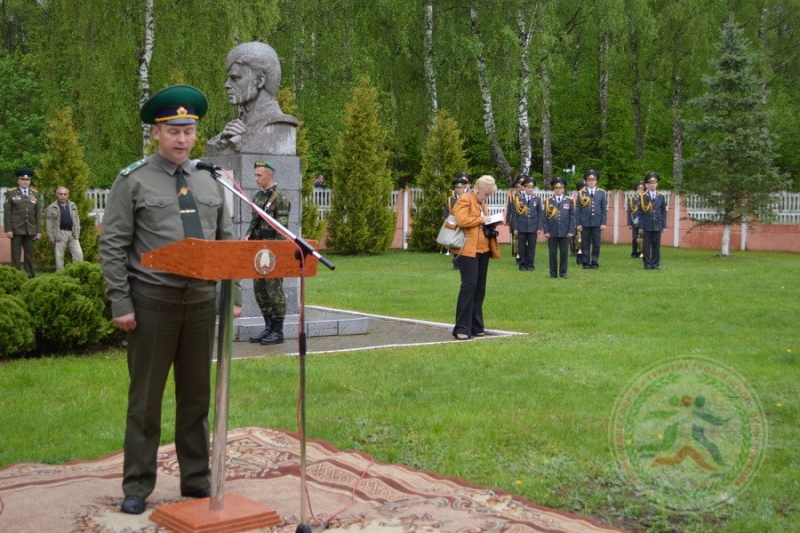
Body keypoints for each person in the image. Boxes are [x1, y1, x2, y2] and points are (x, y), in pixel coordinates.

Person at [99, 85, 242, 515]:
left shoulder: (209, 180)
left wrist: (233, 296)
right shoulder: (133, 180)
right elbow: (113, 246)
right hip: (151, 304)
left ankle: (196, 479)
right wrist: (120, 302)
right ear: (156, 133)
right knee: (145, 399)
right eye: (173, 131)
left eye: (189, 130)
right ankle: (138, 484)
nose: (182, 139)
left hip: (199, 304)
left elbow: (227, 242)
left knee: (197, 398)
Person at [206, 41, 299, 156]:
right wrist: (223, 139)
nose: (227, 84)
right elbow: (211, 148)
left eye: (235, 78)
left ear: (260, 81)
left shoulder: (280, 126)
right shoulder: (240, 125)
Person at [246, 160, 291, 345]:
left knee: (274, 291)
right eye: (255, 175)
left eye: (259, 175)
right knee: (260, 291)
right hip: (258, 250)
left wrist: (276, 255)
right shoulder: (258, 197)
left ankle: (278, 332)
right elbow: (254, 221)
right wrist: (248, 235)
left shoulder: (280, 198)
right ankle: (268, 327)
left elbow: (281, 229)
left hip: (272, 251)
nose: (256, 178)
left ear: (269, 175)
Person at [451, 175, 500, 340]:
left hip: (483, 249)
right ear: (478, 189)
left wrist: (490, 222)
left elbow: (479, 224)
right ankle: (462, 327)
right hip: (467, 250)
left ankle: (476, 326)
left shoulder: (481, 203)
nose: (486, 198)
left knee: (480, 289)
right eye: (486, 194)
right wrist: (482, 219)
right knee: (469, 287)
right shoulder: (465, 199)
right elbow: (462, 220)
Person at [3, 169, 42, 278]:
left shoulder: (35, 194)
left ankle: (29, 274)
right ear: (18, 180)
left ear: (30, 181)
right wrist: (8, 229)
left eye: (27, 179)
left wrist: (38, 230)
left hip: (30, 228)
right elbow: (7, 213)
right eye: (23, 179)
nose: (25, 182)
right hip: (16, 228)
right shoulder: (12, 192)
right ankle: (15, 275)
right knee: (16, 254)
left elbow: (38, 213)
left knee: (29, 254)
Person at [543, 178, 576, 279]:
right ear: (553, 189)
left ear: (564, 189)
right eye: (556, 188)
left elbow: (572, 217)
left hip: (565, 232)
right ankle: (553, 273)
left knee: (564, 253)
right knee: (552, 253)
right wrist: (546, 231)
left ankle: (563, 273)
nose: (558, 190)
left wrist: (571, 231)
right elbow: (544, 217)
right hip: (552, 232)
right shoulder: (548, 201)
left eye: (560, 188)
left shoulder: (569, 201)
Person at [45, 186, 83, 270]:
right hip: (60, 233)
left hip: (73, 233)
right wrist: (51, 237)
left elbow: (77, 219)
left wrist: (78, 231)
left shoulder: (73, 205)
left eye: (65, 194)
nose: (63, 196)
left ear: (67, 195)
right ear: (57, 195)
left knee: (78, 254)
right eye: (60, 194)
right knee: (59, 257)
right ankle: (60, 275)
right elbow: (49, 223)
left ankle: (77, 272)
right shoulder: (52, 207)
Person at [510, 175, 543, 271]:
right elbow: (515, 215)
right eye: (528, 187)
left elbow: (540, 214)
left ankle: (530, 264)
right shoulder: (517, 199)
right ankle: (522, 264)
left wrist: (539, 228)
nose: (530, 189)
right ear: (524, 188)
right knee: (522, 247)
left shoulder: (537, 199)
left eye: (532, 188)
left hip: (533, 227)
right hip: (521, 226)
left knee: (532, 247)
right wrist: (515, 228)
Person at [575, 169, 607, 269]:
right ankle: (586, 262)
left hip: (597, 222)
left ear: (596, 181)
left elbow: (603, 209)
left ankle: (594, 262)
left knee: (596, 244)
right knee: (585, 243)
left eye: (593, 180)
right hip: (585, 223)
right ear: (586, 181)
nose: (591, 182)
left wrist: (603, 222)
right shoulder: (581, 193)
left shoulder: (601, 193)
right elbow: (578, 210)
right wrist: (578, 223)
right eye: (589, 180)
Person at [639, 172, 668, 270]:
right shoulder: (643, 196)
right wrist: (641, 226)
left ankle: (655, 264)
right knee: (646, 246)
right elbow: (640, 212)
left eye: (654, 183)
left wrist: (664, 226)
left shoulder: (661, 196)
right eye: (650, 183)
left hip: (657, 224)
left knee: (656, 246)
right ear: (647, 184)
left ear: (657, 184)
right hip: (647, 224)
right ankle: (647, 264)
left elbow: (663, 212)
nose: (652, 185)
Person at [444, 174, 468, 269]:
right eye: (457, 188)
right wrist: (446, 219)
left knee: (464, 244)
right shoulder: (451, 199)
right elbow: (446, 211)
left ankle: (463, 262)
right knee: (454, 244)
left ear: (464, 188)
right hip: (453, 223)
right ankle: (455, 263)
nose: (458, 190)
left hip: (464, 223)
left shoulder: (467, 198)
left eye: (460, 188)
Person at [504, 175, 525, 266]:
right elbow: (509, 209)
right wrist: (507, 220)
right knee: (516, 238)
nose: (521, 186)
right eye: (519, 183)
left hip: (526, 220)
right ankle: (517, 254)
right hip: (516, 219)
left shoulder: (529, 195)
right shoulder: (513, 196)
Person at [626, 181, 646, 258]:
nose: (640, 191)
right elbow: (629, 212)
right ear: (636, 190)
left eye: (642, 190)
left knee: (643, 238)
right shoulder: (631, 199)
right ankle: (635, 252)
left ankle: (643, 252)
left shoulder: (646, 199)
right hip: (634, 221)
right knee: (635, 238)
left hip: (643, 221)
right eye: (639, 190)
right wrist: (629, 223)